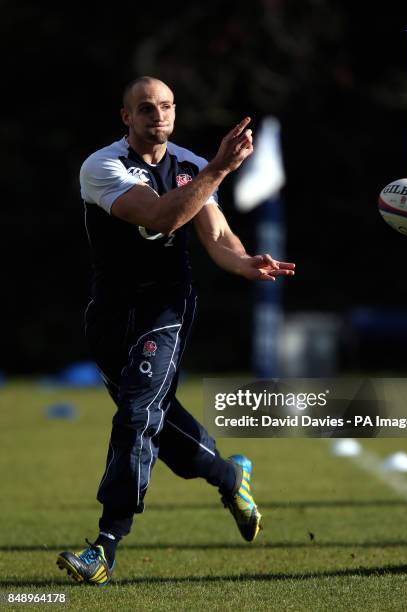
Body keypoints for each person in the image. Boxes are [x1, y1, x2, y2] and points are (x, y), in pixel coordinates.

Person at [56, 76, 296, 585]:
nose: (158, 116)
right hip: (110, 316)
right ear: (127, 117)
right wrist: (220, 168)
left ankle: (105, 545)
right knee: (155, 425)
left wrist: (246, 262)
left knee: (138, 413)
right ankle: (231, 475)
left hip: (164, 308)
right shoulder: (103, 166)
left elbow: (217, 235)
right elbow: (163, 217)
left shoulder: (189, 165)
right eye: (146, 108)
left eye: (165, 106)